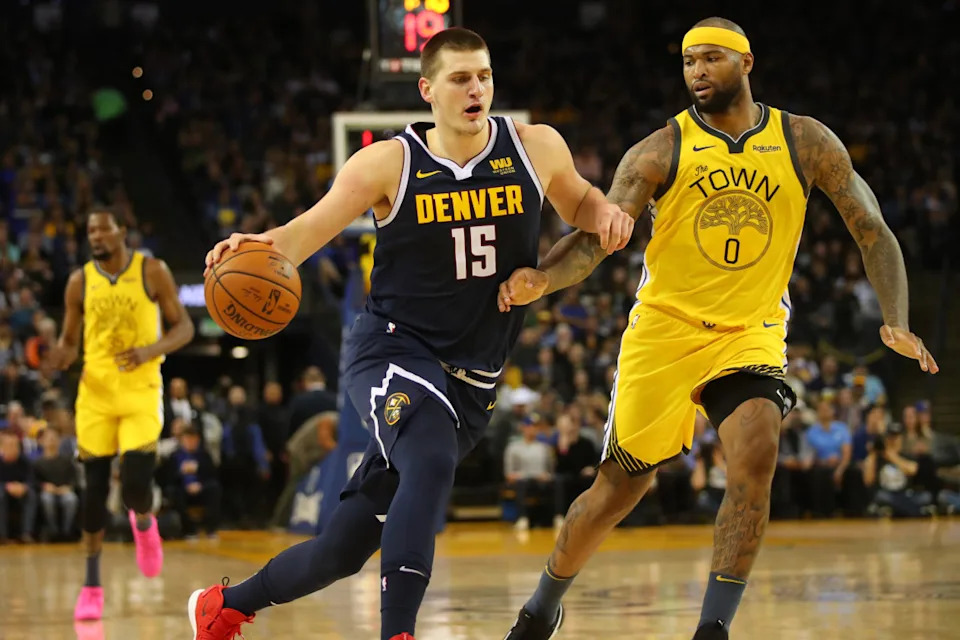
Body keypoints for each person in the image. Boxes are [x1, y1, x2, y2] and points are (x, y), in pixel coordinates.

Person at [498, 17, 938, 640]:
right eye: (688, 62)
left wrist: (896, 321)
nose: (697, 72)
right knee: (617, 491)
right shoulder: (660, 150)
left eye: (711, 59)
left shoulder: (804, 140)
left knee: (756, 455)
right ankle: (543, 603)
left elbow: (871, 227)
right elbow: (598, 239)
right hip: (664, 330)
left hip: (749, 331)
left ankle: (713, 630)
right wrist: (542, 279)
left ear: (747, 63)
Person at [187, 27, 633, 640]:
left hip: (472, 380)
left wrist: (604, 211)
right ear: (427, 90)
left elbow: (578, 201)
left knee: (342, 551)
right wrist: (253, 246)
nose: (476, 88)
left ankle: (223, 606)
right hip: (392, 350)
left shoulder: (534, 147)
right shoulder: (387, 163)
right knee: (427, 455)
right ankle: (399, 632)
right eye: (459, 78)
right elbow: (304, 232)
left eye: (484, 75)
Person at [52, 208, 195, 621]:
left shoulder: (151, 270)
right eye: (90, 230)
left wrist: (150, 351)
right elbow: (68, 339)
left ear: (121, 232)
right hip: (94, 394)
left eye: (103, 228)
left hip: (141, 390)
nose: (95, 235)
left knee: (134, 485)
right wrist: (61, 355)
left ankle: (145, 521)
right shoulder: (79, 281)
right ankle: (92, 584)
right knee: (94, 494)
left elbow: (184, 327)